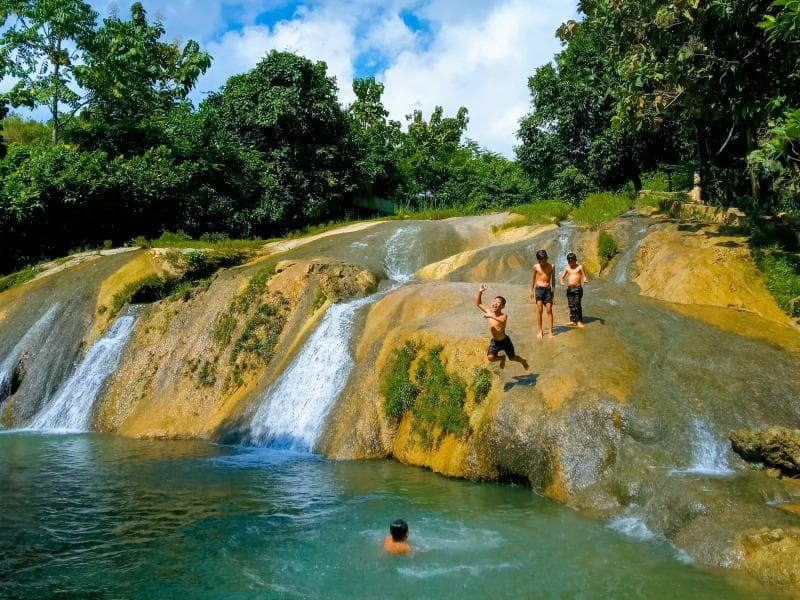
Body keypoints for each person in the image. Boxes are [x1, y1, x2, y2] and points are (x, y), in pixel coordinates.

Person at [476, 284, 529, 370]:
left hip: (505, 341)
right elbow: (478, 304)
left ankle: (523, 361)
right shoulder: (489, 312)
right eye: (494, 301)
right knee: (490, 358)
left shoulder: (503, 316)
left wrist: (491, 316)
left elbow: (502, 321)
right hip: (495, 342)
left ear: (502, 306)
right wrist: (480, 292)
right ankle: (502, 358)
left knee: (512, 358)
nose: (495, 303)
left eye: (498, 302)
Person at [559, 252, 589, 327]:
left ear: (576, 260)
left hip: (577, 289)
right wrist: (562, 282)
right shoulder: (567, 268)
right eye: (569, 261)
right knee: (571, 305)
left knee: (577, 304)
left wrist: (585, 279)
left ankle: (579, 321)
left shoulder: (580, 267)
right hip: (570, 289)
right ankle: (573, 321)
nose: (570, 262)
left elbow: (584, 276)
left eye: (572, 261)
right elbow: (561, 277)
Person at [530, 250, 555, 338]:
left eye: (544, 260)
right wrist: (531, 290)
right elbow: (533, 278)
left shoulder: (551, 266)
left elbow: (553, 279)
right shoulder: (536, 267)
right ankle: (540, 331)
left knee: (549, 309)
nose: (543, 262)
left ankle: (550, 331)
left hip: (548, 290)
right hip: (539, 289)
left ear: (547, 258)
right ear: (538, 260)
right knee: (540, 310)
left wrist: (553, 290)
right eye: (541, 261)